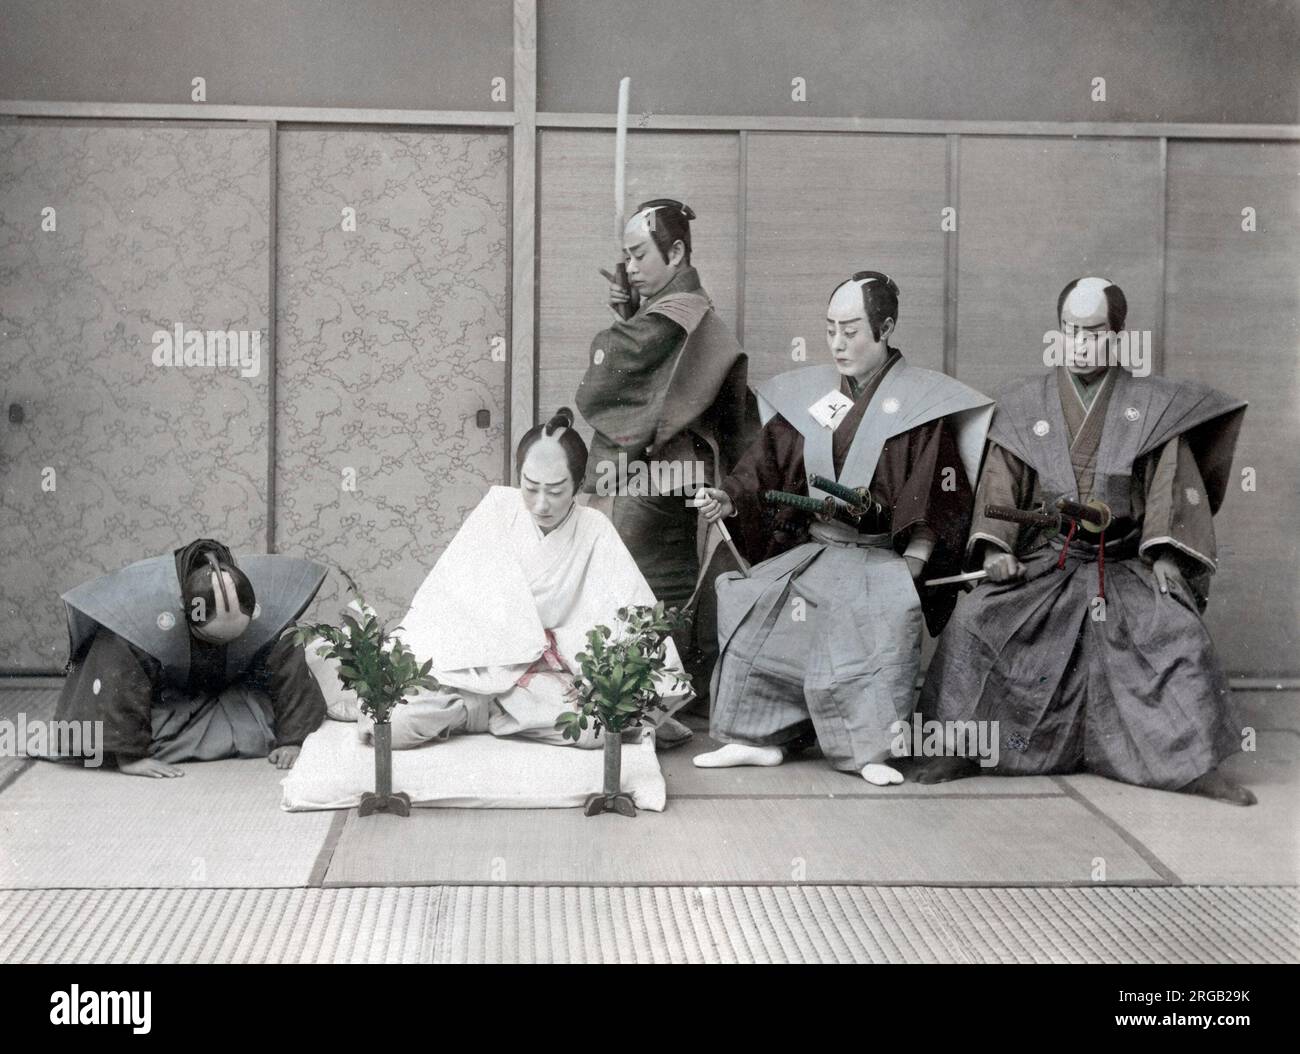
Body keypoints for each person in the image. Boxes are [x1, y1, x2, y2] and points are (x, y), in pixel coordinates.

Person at [914, 277, 1254, 805]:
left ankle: (1191, 764)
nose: (1079, 343)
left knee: (1179, 634)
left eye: (1093, 332)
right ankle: (962, 745)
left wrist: (1165, 555)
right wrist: (998, 550)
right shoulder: (1027, 406)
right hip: (1047, 560)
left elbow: (1170, 491)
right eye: (1070, 330)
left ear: (1117, 335)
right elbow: (1000, 488)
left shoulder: (1154, 408)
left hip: (1122, 563)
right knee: (973, 620)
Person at [691, 271, 993, 785]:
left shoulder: (922, 407)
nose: (836, 343)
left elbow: (938, 500)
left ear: (886, 327)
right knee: (752, 605)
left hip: (880, 558)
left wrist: (911, 571)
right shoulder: (819, 397)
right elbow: (766, 468)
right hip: (817, 548)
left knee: (874, 633)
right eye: (830, 329)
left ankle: (868, 750)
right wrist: (730, 499)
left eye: (850, 331)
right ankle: (755, 736)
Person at [353, 408, 692, 750]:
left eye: (556, 490)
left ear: (577, 483)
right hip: (472, 671)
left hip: (548, 679)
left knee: (598, 727)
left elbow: (628, 617)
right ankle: (481, 711)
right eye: (531, 488)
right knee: (391, 721)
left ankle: (486, 714)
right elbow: (446, 601)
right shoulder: (497, 511)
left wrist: (578, 669)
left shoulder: (594, 530)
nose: (541, 504)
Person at [575, 198, 759, 721]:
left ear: (675, 251)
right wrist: (631, 312)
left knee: (625, 559)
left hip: (666, 473)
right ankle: (661, 691)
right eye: (626, 258)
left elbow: (618, 361)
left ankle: (639, 694)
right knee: (659, 580)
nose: (630, 268)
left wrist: (621, 327)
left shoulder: (680, 311)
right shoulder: (675, 307)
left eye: (638, 255)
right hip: (678, 468)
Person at [53, 538, 328, 777]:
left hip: (227, 691)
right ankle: (131, 746)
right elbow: (118, 681)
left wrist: (293, 740)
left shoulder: (264, 611)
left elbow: (288, 671)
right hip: (164, 702)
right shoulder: (141, 612)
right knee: (144, 738)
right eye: (213, 638)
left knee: (275, 718)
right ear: (185, 609)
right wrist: (130, 757)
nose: (222, 644)